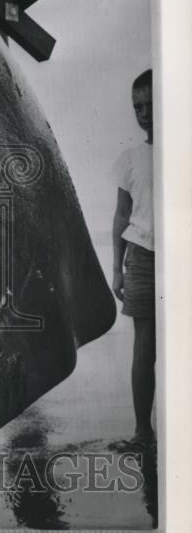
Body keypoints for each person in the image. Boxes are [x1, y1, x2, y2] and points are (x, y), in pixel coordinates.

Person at [112, 68, 156, 448]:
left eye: (150, 104)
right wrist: (117, 269)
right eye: (137, 107)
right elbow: (121, 216)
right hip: (141, 257)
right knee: (144, 347)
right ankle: (143, 431)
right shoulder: (130, 158)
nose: (143, 113)